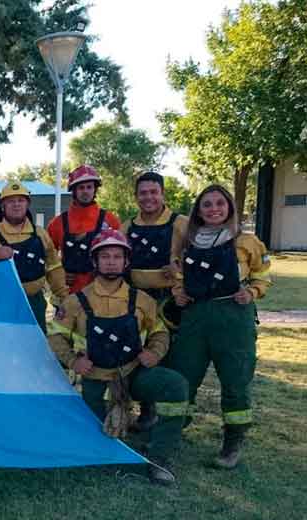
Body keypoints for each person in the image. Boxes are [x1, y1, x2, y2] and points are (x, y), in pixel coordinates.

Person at [47, 229, 189, 485]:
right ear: (94, 261)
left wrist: (154, 353)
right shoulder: (74, 302)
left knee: (175, 385)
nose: (111, 261)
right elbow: (55, 336)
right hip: (94, 379)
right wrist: (73, 360)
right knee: (94, 439)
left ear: (126, 262)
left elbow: (160, 333)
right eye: (105, 256)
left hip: (132, 373)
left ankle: (160, 457)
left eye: (117, 256)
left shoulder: (143, 301)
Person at [167, 184, 271, 470]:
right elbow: (176, 271)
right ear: (198, 211)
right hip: (195, 317)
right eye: (207, 204)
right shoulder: (187, 241)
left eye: (219, 204)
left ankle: (233, 440)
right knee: (183, 376)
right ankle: (174, 431)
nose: (214, 209)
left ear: (229, 208)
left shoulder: (247, 241)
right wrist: (178, 291)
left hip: (233, 318)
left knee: (235, 380)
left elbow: (263, 276)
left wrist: (252, 293)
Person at [121, 171, 189, 431]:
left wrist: (180, 274)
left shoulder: (181, 224)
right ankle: (147, 413)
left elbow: (201, 260)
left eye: (153, 192)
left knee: (172, 356)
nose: (148, 197)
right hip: (137, 300)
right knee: (141, 353)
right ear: (136, 196)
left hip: (171, 302)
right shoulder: (127, 227)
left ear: (163, 194)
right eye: (143, 193)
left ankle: (172, 419)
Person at [0, 182, 67, 331]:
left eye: (21, 200)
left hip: (35, 303)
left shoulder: (41, 234)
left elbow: (54, 268)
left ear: (27, 204)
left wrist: (63, 296)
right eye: (11, 201)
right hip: (2, 305)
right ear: (2, 206)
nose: (16, 205)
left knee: (36, 350)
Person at [47, 165, 121, 294]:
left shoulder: (110, 220)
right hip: (68, 295)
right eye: (81, 188)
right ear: (74, 191)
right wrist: (59, 274)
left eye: (89, 187)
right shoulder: (57, 223)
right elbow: (47, 257)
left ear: (95, 189)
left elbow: (121, 256)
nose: (85, 191)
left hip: (103, 293)